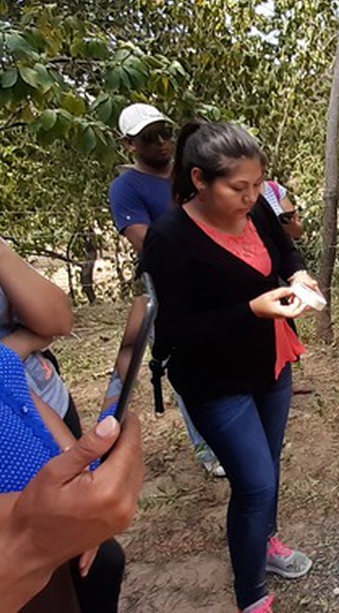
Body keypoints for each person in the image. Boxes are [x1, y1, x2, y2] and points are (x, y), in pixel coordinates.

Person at [142, 121, 317, 613]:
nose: (252, 196)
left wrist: (299, 275)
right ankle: (251, 597)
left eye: (258, 185)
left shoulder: (256, 207)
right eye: (239, 188)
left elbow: (285, 249)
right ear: (199, 180)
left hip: (270, 361)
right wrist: (251, 311)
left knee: (270, 459)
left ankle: (267, 541)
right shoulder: (170, 237)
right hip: (214, 379)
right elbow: (177, 329)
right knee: (255, 481)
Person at [0, 237, 127, 612]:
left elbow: (56, 321)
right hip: (22, 522)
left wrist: (80, 478)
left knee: (102, 563)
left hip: (39, 466)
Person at [109, 102, 225, 478]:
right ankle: (207, 448)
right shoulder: (127, 187)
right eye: (149, 138)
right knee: (187, 367)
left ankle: (235, 435)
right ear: (129, 144)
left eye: (165, 133)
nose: (161, 142)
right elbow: (149, 245)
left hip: (217, 281)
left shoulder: (191, 174)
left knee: (225, 355)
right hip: (171, 291)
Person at [0, 337, 144, 612]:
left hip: (57, 541)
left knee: (105, 565)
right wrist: (30, 538)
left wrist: (79, 465)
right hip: (24, 578)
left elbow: (17, 389)